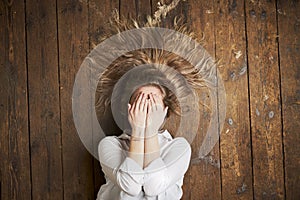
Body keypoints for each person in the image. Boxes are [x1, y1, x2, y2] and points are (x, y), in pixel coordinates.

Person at [96, 83, 191, 200]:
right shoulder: (110, 144)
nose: (146, 108)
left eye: (153, 102)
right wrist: (138, 130)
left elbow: (154, 187)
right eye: (140, 102)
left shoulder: (179, 147)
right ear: (129, 109)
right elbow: (130, 186)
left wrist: (150, 131)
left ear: (165, 111)